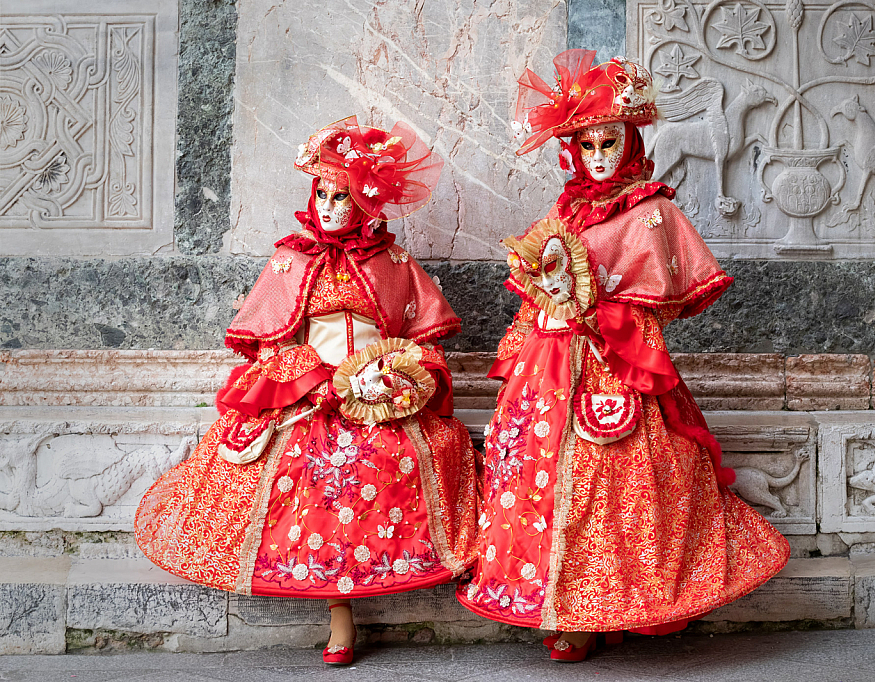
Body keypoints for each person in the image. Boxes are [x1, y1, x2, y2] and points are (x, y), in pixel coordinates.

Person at [456, 50, 790, 662]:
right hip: (550, 360)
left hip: (617, 365)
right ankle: (570, 610)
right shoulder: (564, 209)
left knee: (618, 480)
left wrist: (604, 306)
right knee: (543, 476)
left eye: (610, 142)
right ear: (572, 152)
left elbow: (661, 301)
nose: (600, 157)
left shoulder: (652, 213)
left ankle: (639, 600)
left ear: (631, 139)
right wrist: (533, 324)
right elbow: (538, 285)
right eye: (586, 146)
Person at [135, 117, 478, 666]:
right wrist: (316, 379)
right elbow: (271, 344)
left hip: (378, 394)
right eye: (323, 193)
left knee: (395, 458)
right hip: (310, 394)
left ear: (366, 201)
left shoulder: (394, 264)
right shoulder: (291, 261)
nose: (333, 206)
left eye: (343, 195)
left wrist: (394, 376)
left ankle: (378, 579)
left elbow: (423, 342)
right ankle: (337, 614)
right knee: (306, 471)